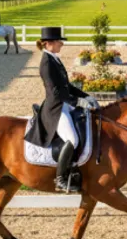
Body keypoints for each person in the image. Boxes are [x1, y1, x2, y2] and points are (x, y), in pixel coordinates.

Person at [37, 27, 98, 192]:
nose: (62, 44)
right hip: (55, 108)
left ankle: (75, 171)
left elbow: (67, 86)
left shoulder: (54, 59)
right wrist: (77, 101)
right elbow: (56, 92)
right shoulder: (46, 63)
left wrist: (85, 96)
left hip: (64, 104)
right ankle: (60, 178)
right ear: (49, 43)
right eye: (59, 41)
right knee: (72, 139)